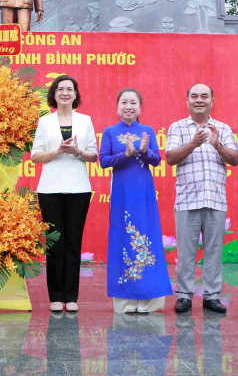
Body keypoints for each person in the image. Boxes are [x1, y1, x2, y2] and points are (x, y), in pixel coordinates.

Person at [165, 84, 238, 314]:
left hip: (215, 199)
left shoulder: (223, 128)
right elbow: (170, 158)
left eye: (204, 96)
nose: (199, 100)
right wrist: (193, 143)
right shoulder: (177, 127)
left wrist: (217, 145)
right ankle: (185, 296)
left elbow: (235, 159)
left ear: (212, 101)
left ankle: (212, 295)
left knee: (214, 250)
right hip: (187, 200)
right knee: (186, 251)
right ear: (187, 101)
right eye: (194, 96)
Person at [99, 88, 172, 313]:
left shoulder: (147, 130)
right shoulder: (110, 132)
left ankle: (149, 299)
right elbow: (103, 161)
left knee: (147, 237)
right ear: (117, 107)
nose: (128, 106)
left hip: (144, 193)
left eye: (133, 103)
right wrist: (126, 155)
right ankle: (126, 301)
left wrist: (143, 151)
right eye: (124, 102)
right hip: (121, 193)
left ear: (140, 108)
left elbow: (158, 160)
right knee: (123, 237)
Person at [30, 75, 98, 312]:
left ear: (76, 94)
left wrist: (77, 151)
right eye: (61, 89)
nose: (65, 93)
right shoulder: (45, 122)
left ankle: (71, 296)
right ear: (54, 94)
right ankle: (55, 297)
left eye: (70, 89)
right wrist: (57, 151)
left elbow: (94, 155)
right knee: (54, 243)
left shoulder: (86, 120)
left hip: (79, 188)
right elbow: (35, 155)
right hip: (49, 189)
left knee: (73, 242)